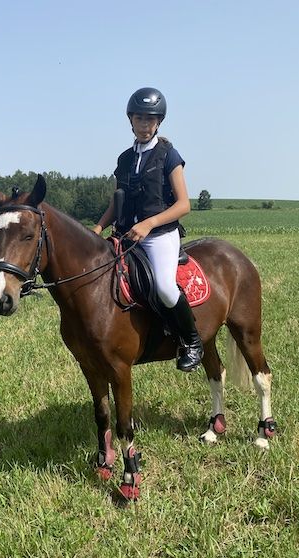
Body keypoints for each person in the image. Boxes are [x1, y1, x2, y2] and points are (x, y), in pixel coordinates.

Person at [92, 87, 203, 371]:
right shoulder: (124, 159)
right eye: (140, 118)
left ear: (158, 122)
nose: (144, 125)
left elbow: (184, 204)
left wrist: (149, 223)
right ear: (131, 120)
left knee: (164, 287)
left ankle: (192, 341)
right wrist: (99, 227)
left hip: (159, 236)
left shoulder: (169, 155)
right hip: (126, 236)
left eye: (150, 119)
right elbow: (116, 202)